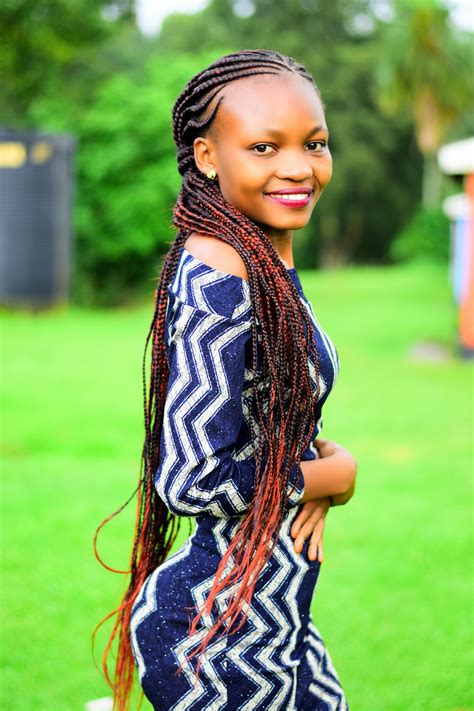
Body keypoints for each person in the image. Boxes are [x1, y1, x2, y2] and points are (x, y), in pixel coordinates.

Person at [94, 48, 358, 710]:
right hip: (215, 640)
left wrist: (316, 462)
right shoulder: (220, 271)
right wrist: (323, 477)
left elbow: (273, 419)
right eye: (265, 146)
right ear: (209, 157)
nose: (298, 167)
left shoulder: (262, 256)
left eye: (314, 143)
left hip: (273, 621)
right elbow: (189, 479)